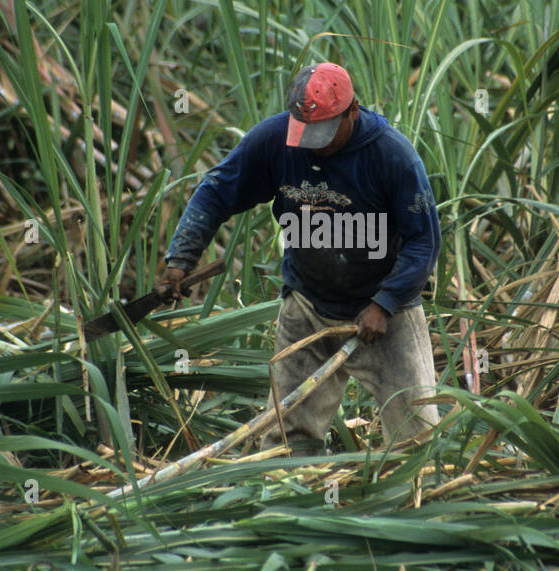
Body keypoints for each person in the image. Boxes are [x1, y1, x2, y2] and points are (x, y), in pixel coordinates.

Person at [158, 62, 442, 454]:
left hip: (383, 312)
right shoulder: (275, 141)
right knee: (287, 442)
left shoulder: (392, 156)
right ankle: (293, 503)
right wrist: (181, 258)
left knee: (417, 439)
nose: (313, 143)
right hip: (308, 305)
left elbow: (424, 242)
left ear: (352, 112)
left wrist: (386, 302)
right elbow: (216, 191)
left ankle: (412, 504)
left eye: (323, 133)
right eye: (305, 132)